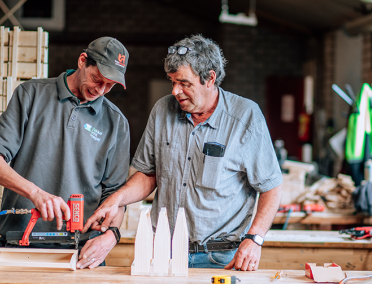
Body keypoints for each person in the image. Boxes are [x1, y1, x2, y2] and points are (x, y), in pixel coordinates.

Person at [84, 35, 283, 271]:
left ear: (210, 78)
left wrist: (255, 238)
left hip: (220, 257)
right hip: (163, 253)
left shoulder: (245, 117)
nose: (176, 91)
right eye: (172, 81)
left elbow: (271, 186)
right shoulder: (162, 110)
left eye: (184, 83)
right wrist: (115, 200)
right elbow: (148, 175)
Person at [0, 37, 130, 269]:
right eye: (97, 79)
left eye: (109, 86)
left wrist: (110, 238)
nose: (100, 90)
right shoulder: (30, 95)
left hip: (82, 253)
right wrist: (36, 193)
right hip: (21, 244)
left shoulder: (116, 122)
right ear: (82, 61)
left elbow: (116, 198)